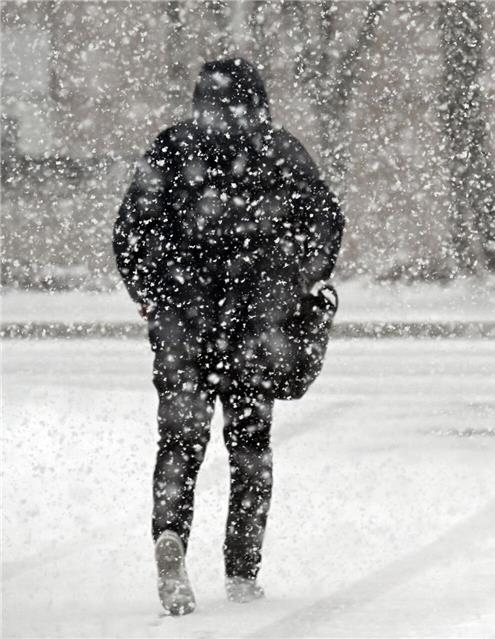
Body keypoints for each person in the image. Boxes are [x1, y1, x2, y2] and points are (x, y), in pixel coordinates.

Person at [114, 57, 343, 615]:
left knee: (179, 448)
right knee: (250, 452)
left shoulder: (172, 150)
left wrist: (157, 299)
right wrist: (293, 286)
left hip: (183, 328)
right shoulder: (279, 152)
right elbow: (325, 225)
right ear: (258, 101)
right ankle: (242, 574)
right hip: (252, 330)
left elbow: (130, 235)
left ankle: (171, 539)